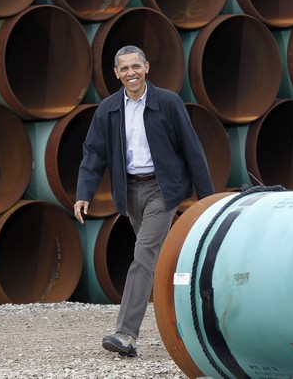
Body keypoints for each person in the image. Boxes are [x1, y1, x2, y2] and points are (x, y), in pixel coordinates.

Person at [74, 45, 215, 357]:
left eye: (135, 66)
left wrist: (207, 201)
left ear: (147, 67)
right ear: (116, 73)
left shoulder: (168, 102)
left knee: (143, 256)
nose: (130, 73)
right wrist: (84, 193)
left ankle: (125, 334)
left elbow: (192, 148)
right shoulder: (108, 110)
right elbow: (94, 153)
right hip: (129, 193)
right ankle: (203, 314)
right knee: (163, 261)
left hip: (163, 190)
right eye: (124, 69)